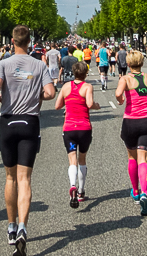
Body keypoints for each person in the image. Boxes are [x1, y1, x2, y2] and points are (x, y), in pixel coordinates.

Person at [0, 25, 54, 256]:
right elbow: (51, 93)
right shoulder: (39, 64)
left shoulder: (3, 64)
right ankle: (24, 227)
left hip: (7, 121)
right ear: (29, 42)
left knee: (10, 177)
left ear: (12, 41)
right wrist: (36, 97)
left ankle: (11, 226)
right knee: (25, 178)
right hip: (29, 121)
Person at [115, 49, 147, 217]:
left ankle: (135, 191)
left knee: (132, 157)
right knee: (143, 159)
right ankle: (144, 192)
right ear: (142, 63)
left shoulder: (125, 79)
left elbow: (117, 94)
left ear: (128, 64)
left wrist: (121, 100)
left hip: (130, 121)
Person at [55, 61, 100, 208]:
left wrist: (67, 102)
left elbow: (57, 106)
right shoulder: (87, 87)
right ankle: (80, 192)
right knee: (82, 159)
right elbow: (89, 104)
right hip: (84, 128)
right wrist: (96, 106)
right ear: (85, 73)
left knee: (72, 159)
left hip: (69, 128)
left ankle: (72, 185)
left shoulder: (66, 87)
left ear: (74, 73)